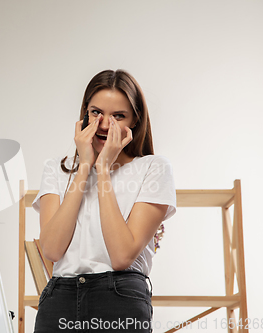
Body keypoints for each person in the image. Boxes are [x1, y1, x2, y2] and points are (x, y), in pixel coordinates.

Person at [32, 69, 176, 332]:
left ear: (135, 121)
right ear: (85, 113)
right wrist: (85, 165)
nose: (104, 124)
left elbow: (122, 256)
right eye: (96, 112)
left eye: (118, 115)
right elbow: (52, 250)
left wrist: (104, 170)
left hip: (119, 299)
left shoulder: (153, 168)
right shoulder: (55, 169)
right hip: (59, 299)